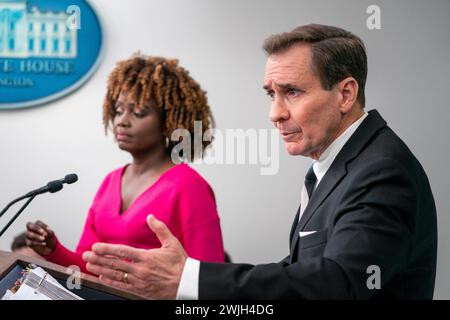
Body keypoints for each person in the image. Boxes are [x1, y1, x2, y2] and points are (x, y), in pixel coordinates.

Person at [82, 24, 437, 299]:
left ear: (345, 94)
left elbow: (338, 282)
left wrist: (190, 278)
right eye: (271, 94)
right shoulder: (336, 166)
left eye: (292, 92)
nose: (275, 114)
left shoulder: (382, 169)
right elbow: (301, 273)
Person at [25, 55, 225, 274]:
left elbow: (208, 277)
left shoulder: (189, 185)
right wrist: (53, 250)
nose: (122, 120)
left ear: (169, 122)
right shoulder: (110, 181)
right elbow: (88, 266)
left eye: (138, 112)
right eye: (119, 111)